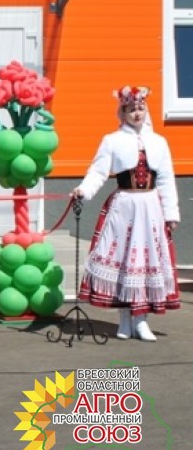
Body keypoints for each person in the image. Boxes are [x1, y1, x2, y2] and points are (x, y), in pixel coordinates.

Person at [72, 86, 180, 342]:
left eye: (140, 108)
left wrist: (170, 212)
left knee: (145, 262)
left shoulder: (159, 142)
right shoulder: (112, 140)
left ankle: (141, 321)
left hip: (151, 207)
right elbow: (98, 171)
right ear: (122, 112)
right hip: (124, 207)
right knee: (122, 261)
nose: (137, 113)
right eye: (131, 109)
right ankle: (124, 321)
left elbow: (166, 178)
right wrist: (83, 191)